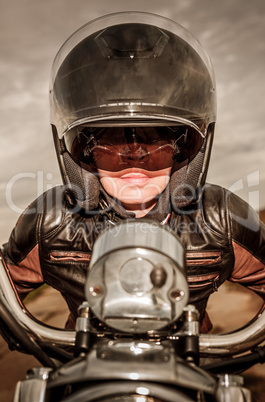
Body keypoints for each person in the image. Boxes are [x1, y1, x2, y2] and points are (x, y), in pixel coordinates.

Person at [2, 12, 265, 333]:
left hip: (196, 368)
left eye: (155, 135)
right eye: (110, 137)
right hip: (81, 372)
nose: (134, 153)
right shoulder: (50, 220)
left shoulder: (222, 217)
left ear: (182, 148)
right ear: (85, 150)